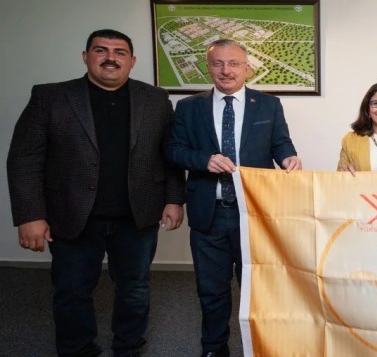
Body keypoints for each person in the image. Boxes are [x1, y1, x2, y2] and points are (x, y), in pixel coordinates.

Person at [6, 29, 186, 357]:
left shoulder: (156, 99)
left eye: (119, 52)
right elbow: (24, 158)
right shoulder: (50, 97)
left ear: (132, 61)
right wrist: (30, 215)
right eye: (101, 50)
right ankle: (77, 350)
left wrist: (174, 199)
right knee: (72, 292)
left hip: (137, 215)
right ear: (85, 56)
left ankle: (129, 349)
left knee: (135, 290)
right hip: (71, 215)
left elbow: (169, 153)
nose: (110, 58)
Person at [165, 38, 301, 357]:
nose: (226, 70)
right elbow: (173, 150)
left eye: (233, 63)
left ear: (247, 68)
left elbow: (280, 143)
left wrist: (288, 157)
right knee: (211, 290)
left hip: (254, 213)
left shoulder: (268, 105)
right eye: (218, 63)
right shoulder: (188, 107)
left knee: (259, 290)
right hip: (208, 213)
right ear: (208, 67)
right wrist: (204, 160)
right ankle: (214, 348)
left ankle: (263, 348)